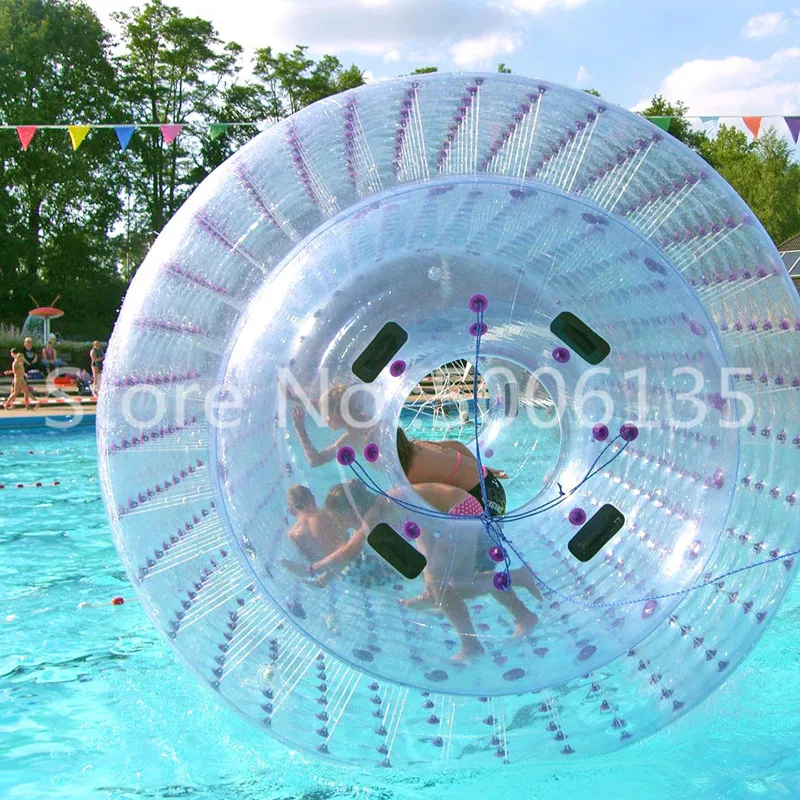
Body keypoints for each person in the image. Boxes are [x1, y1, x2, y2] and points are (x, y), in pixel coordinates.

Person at [294, 481, 542, 660]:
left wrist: (311, 568)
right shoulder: (389, 507)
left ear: (352, 509)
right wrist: (430, 584)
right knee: (456, 584)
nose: (339, 524)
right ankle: (523, 609)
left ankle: (471, 645)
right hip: (463, 510)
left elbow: (350, 551)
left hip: (460, 512)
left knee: (441, 583)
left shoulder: (376, 511)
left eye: (339, 518)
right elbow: (423, 536)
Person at [396, 427, 508, 517]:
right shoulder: (419, 444)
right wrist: (480, 467)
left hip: (482, 500)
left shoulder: (410, 474)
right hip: (493, 484)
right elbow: (457, 444)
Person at [291, 384, 378, 467]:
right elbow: (315, 460)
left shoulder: (352, 437)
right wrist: (300, 429)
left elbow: (316, 460)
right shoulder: (363, 423)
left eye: (326, 415)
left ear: (336, 413)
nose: (325, 420)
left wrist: (300, 430)